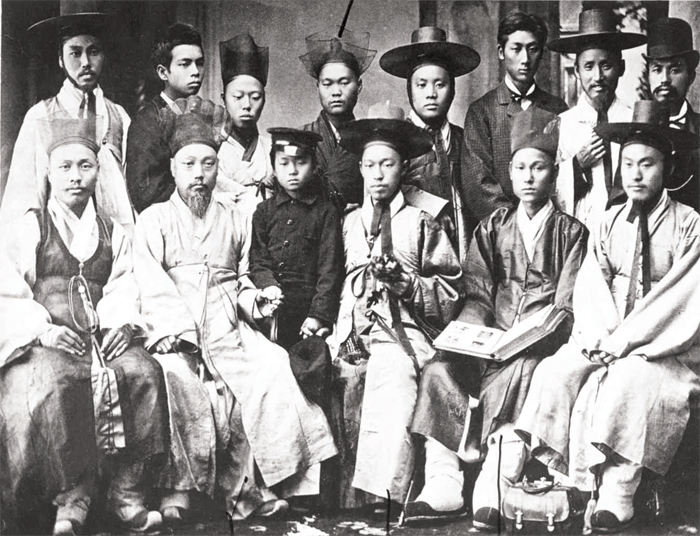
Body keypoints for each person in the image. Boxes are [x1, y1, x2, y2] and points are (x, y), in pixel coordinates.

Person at [133, 96, 337, 521]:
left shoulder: (234, 216)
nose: (199, 177)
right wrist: (176, 331)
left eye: (208, 165)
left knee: (272, 365)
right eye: (189, 165)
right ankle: (179, 491)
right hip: (177, 329)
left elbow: (245, 276)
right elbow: (149, 282)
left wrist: (256, 301)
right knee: (179, 380)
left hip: (229, 324)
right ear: (173, 169)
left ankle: (273, 486)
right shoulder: (153, 219)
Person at [511, 100, 700, 533]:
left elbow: (681, 300)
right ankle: (569, 484)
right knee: (555, 372)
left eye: (648, 164)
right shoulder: (609, 220)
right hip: (605, 337)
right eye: (628, 163)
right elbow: (591, 288)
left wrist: (625, 344)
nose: (635, 174)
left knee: (631, 379)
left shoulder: (690, 224)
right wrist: (601, 339)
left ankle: (619, 490)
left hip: (666, 346)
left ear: (667, 168)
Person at [407, 107, 588, 527]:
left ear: (553, 172)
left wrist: (532, 336)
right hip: (491, 341)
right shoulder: (491, 227)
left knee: (526, 368)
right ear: (508, 172)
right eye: (520, 167)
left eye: (538, 167)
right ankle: (444, 480)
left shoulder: (572, 232)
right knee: (439, 368)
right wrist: (474, 332)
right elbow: (477, 291)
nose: (528, 177)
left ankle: (496, 474)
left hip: (537, 347)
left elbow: (567, 306)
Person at [0, 117, 169, 536]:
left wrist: (121, 325)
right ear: (49, 172)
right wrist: (44, 330)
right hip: (46, 338)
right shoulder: (30, 225)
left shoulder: (114, 232)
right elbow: (8, 291)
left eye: (85, 166)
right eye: (65, 167)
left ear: (98, 170)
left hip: (101, 335)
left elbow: (124, 284)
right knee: (58, 382)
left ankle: (127, 494)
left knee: (144, 372)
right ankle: (70, 497)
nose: (75, 177)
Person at [326, 103, 463, 512]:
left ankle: (383, 494)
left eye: (388, 164)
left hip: (407, 330)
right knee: (344, 368)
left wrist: (407, 283)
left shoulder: (421, 221)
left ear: (402, 167)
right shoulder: (348, 223)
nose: (378, 174)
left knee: (392, 368)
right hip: (352, 331)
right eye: (370, 165)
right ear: (362, 169)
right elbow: (333, 284)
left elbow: (451, 292)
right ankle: (347, 496)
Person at [0, 12, 134, 232]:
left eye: (93, 52)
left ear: (104, 56)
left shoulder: (118, 116)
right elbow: (23, 199)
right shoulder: (40, 116)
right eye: (75, 53)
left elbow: (130, 192)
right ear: (61, 59)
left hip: (115, 242)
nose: (86, 63)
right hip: (60, 243)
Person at [380, 26, 481, 266]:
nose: (431, 94)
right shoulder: (395, 141)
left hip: (463, 250)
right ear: (409, 90)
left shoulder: (466, 139)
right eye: (421, 84)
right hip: (411, 251)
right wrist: (434, 207)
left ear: (452, 89)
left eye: (440, 84)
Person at [461, 12, 568, 224]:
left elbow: (564, 175)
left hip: (550, 226)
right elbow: (477, 184)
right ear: (501, 52)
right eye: (516, 49)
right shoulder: (481, 111)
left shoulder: (557, 109)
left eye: (533, 49)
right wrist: (513, 227)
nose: (525, 59)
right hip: (499, 232)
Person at [548, 7, 646, 228]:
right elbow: (547, 189)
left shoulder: (635, 121)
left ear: (621, 68)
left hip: (629, 231)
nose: (598, 77)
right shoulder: (563, 125)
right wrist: (577, 167)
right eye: (589, 67)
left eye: (606, 65)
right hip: (581, 233)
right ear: (576, 71)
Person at [250, 128, 343, 350]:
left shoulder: (326, 212)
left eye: (301, 162)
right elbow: (257, 259)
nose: (292, 171)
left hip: (308, 310)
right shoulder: (263, 212)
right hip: (270, 306)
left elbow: (330, 270)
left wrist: (318, 315)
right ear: (274, 166)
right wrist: (268, 285)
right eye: (284, 163)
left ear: (314, 166)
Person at [126, 23, 204, 213]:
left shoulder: (203, 116)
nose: (195, 71)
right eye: (185, 64)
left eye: (199, 63)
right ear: (163, 72)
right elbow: (145, 193)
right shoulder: (146, 122)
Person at [300, 27, 376, 210]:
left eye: (344, 83)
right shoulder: (302, 137)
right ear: (317, 87)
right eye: (327, 84)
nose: (336, 92)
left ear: (358, 86)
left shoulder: (370, 138)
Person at [646, 17, 700, 211]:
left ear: (691, 76)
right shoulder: (636, 130)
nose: (665, 80)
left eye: (675, 70)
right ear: (648, 75)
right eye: (657, 69)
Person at [217, 34, 274, 213]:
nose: (247, 105)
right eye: (238, 97)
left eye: (255, 97)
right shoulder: (213, 149)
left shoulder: (272, 147)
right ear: (223, 99)